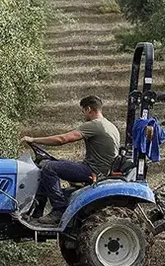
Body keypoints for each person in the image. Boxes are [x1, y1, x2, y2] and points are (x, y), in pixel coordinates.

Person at [20, 95, 120, 224]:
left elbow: (63, 139)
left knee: (49, 167)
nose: (84, 114)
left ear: (89, 109)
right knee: (48, 164)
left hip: (94, 172)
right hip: (98, 169)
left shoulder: (95, 125)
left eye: (83, 111)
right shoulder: (110, 125)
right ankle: (36, 211)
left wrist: (33, 139)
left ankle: (58, 210)